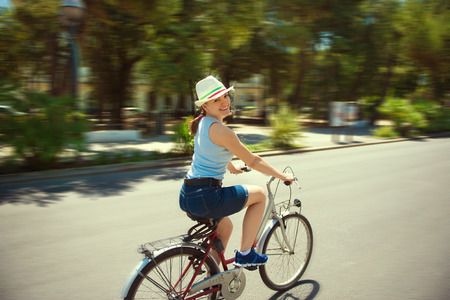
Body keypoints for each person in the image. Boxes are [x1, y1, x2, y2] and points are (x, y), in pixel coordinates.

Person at [179, 75, 294, 268]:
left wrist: (232, 168)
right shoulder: (223, 131)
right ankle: (245, 254)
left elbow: (209, 153)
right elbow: (253, 160)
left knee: (225, 228)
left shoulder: (202, 125)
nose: (224, 101)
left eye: (225, 95)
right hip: (207, 197)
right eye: (216, 100)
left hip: (187, 195)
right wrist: (282, 176)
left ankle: (213, 277)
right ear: (205, 106)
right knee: (259, 195)